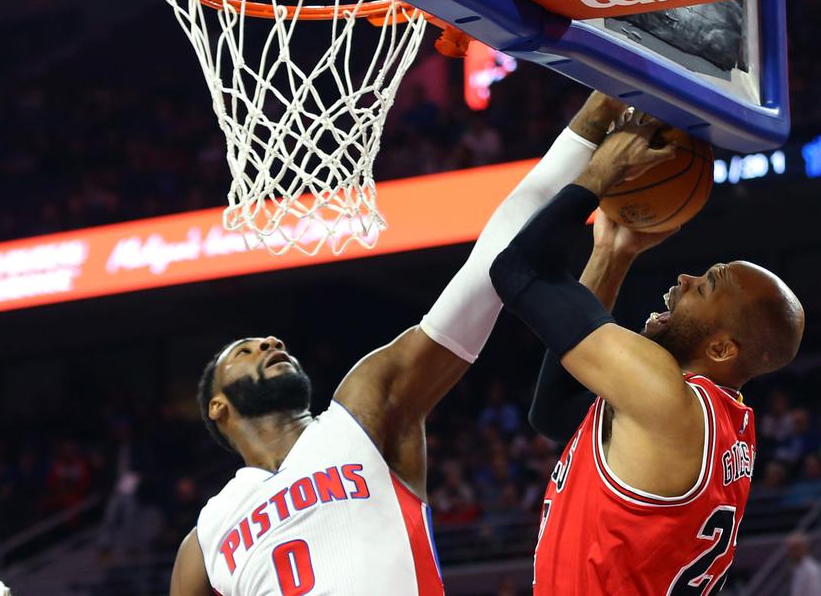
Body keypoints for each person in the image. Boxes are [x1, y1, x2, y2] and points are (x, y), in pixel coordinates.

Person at [169, 92, 633, 596]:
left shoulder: (362, 411)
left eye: (264, 340)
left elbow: (485, 272)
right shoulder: (205, 538)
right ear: (217, 407)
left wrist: (593, 126)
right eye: (245, 351)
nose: (269, 343)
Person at [488, 117, 805, 594]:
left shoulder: (667, 396)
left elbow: (518, 269)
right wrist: (613, 255)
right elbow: (555, 414)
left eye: (708, 285)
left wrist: (598, 176)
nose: (685, 280)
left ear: (721, 348)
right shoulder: (716, 422)